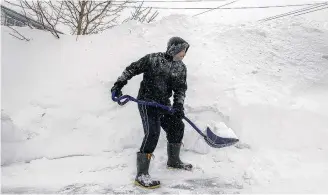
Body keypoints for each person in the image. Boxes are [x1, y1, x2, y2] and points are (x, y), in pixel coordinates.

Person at [111, 37, 192, 189]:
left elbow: (180, 89)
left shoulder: (181, 68)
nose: (183, 54)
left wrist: (178, 106)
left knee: (177, 126)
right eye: (182, 51)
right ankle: (141, 175)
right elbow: (132, 69)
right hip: (147, 102)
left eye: (185, 52)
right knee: (152, 133)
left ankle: (173, 161)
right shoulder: (153, 59)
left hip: (164, 104)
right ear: (173, 49)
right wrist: (119, 83)